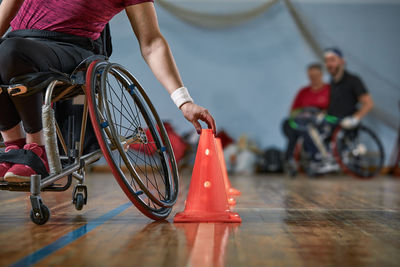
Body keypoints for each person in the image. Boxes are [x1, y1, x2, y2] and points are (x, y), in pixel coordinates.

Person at [0, 0, 216, 182]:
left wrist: (183, 101)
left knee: (11, 52)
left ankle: (37, 150)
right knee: (7, 51)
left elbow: (152, 43)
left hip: (70, 49)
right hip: (18, 44)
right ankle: (13, 149)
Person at [283, 63, 330, 166]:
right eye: (310, 76)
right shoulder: (303, 91)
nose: (313, 78)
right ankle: (290, 159)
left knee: (303, 125)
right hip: (303, 118)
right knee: (289, 124)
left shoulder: (329, 90)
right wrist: (300, 114)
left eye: (315, 76)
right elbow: (293, 111)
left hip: (321, 119)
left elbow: (333, 109)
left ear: (321, 75)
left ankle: (316, 155)